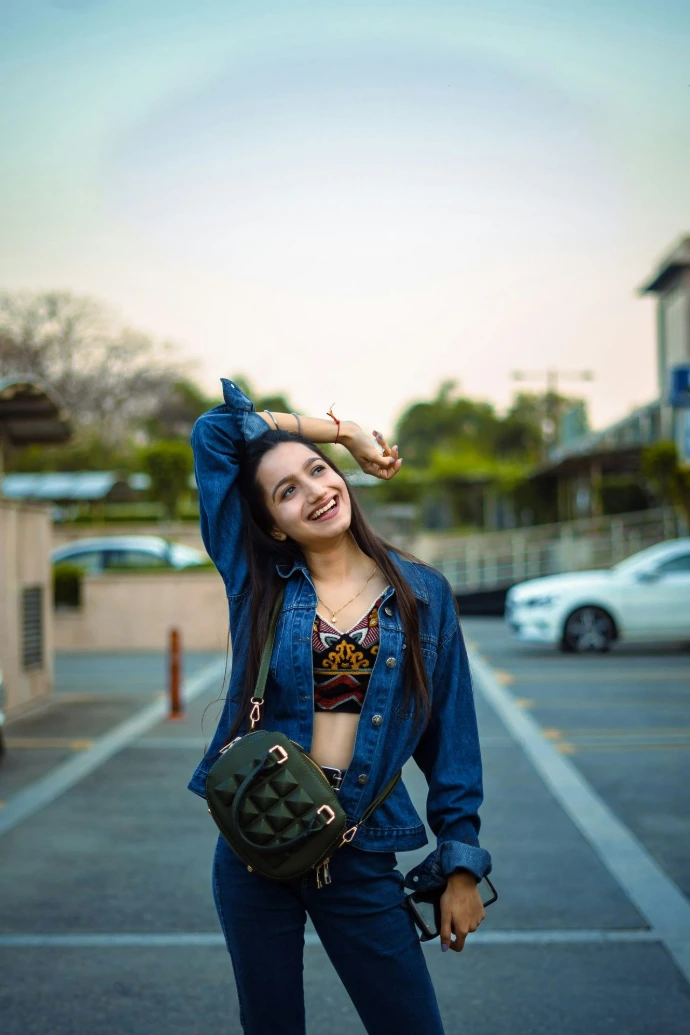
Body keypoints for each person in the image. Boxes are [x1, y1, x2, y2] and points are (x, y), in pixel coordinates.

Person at [187, 378, 492, 1035]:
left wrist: (461, 860)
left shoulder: (422, 594)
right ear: (272, 521)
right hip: (255, 845)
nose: (316, 490)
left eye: (319, 471)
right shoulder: (258, 582)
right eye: (287, 489)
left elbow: (451, 736)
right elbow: (214, 432)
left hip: (358, 850)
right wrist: (341, 431)